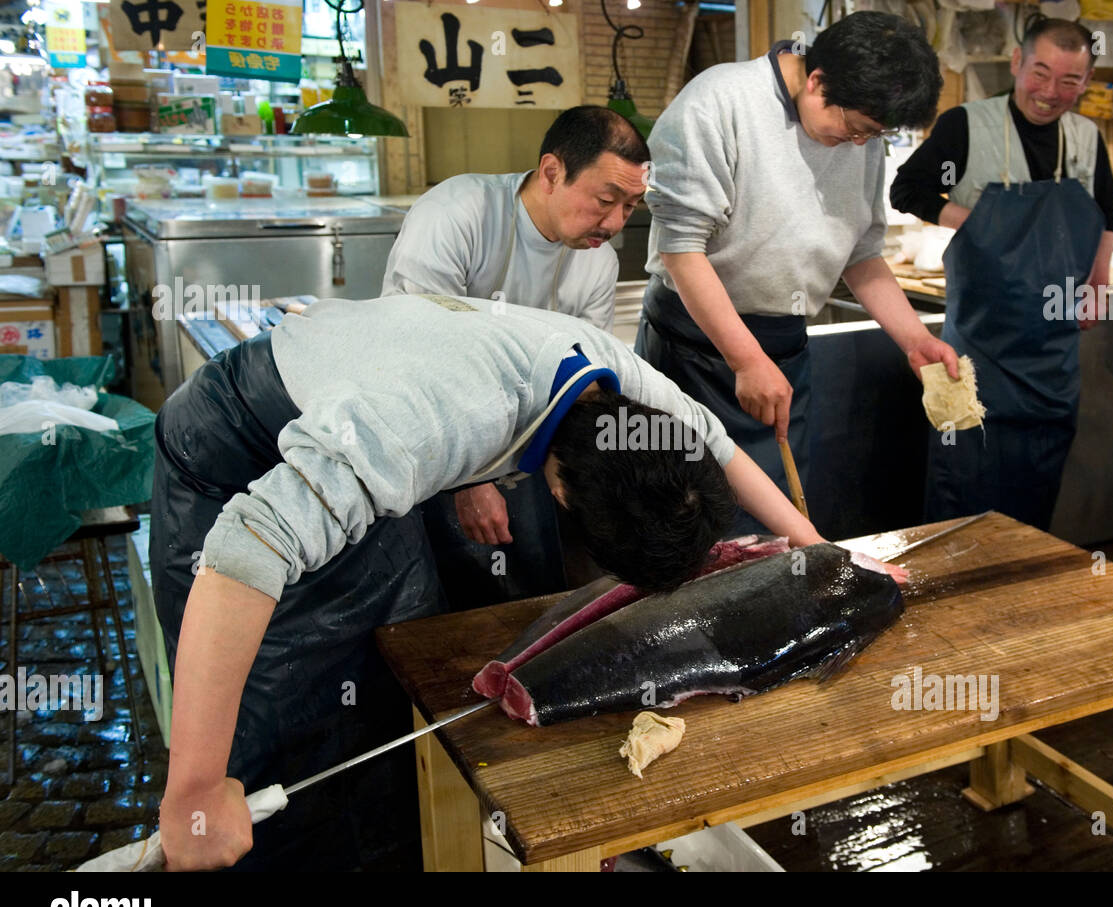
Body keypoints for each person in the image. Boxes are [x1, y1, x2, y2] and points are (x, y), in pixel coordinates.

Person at [153, 294, 896, 871]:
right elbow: (243, 553)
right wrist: (191, 789)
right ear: (567, 497)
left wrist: (823, 552)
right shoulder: (420, 428)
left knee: (394, 689)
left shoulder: (620, 394)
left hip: (349, 427)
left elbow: (721, 448)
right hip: (237, 458)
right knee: (288, 734)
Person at [637, 10, 958, 530]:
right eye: (856, 129)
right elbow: (681, 249)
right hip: (695, 348)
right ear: (816, 80)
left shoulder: (863, 136)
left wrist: (915, 340)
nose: (861, 144)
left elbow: (861, 254)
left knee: (776, 524)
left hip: (784, 350)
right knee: (689, 521)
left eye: (872, 135)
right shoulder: (720, 100)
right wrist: (745, 360)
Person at [382, 106, 649, 601]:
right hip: (427, 437)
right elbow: (416, 354)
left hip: (522, 441)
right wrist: (468, 481)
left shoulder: (598, 261)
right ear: (552, 172)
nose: (614, 223)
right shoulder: (457, 213)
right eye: (605, 200)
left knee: (528, 585)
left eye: (630, 207)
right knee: (433, 600)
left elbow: (583, 378)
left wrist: (578, 464)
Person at [890, 15, 1113, 530]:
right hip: (977, 350)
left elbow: (1107, 211)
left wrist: (1098, 284)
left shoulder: (1086, 137)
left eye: (1069, 81)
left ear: (1085, 83)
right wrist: (975, 222)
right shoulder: (967, 125)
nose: (1049, 92)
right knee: (965, 479)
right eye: (1040, 73)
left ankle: (1023, 588)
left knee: (1036, 485)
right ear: (1017, 63)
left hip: (1053, 355)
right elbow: (906, 189)